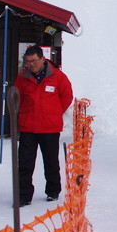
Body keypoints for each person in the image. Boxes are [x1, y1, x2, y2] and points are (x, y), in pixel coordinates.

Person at [15, 45, 73, 207]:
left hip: (50, 128)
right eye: (27, 62)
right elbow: (16, 98)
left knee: (51, 162)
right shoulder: (22, 78)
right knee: (25, 163)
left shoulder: (58, 77)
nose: (30, 65)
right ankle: (24, 196)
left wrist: (54, 113)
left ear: (42, 59)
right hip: (28, 127)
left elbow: (67, 96)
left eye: (33, 61)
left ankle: (53, 191)